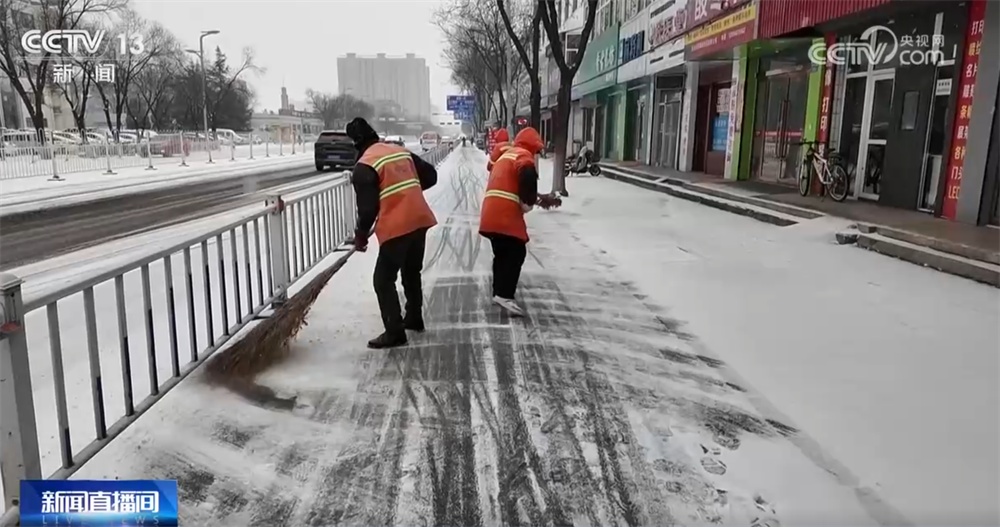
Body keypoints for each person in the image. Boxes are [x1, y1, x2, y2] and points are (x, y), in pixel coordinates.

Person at [347, 117, 438, 349]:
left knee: (383, 279)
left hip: (398, 225)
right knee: (411, 270)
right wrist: (409, 193)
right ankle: (414, 318)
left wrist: (360, 235)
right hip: (419, 218)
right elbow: (431, 176)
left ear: (356, 144)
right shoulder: (398, 151)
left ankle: (395, 332)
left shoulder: (365, 165)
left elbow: (367, 210)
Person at [479, 126, 559, 317]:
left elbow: (512, 183)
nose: (536, 154)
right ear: (531, 146)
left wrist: (537, 198)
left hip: (490, 214)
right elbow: (527, 174)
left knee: (502, 253)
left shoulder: (507, 156)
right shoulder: (523, 155)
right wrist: (528, 200)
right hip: (504, 215)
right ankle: (505, 294)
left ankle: (498, 292)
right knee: (516, 251)